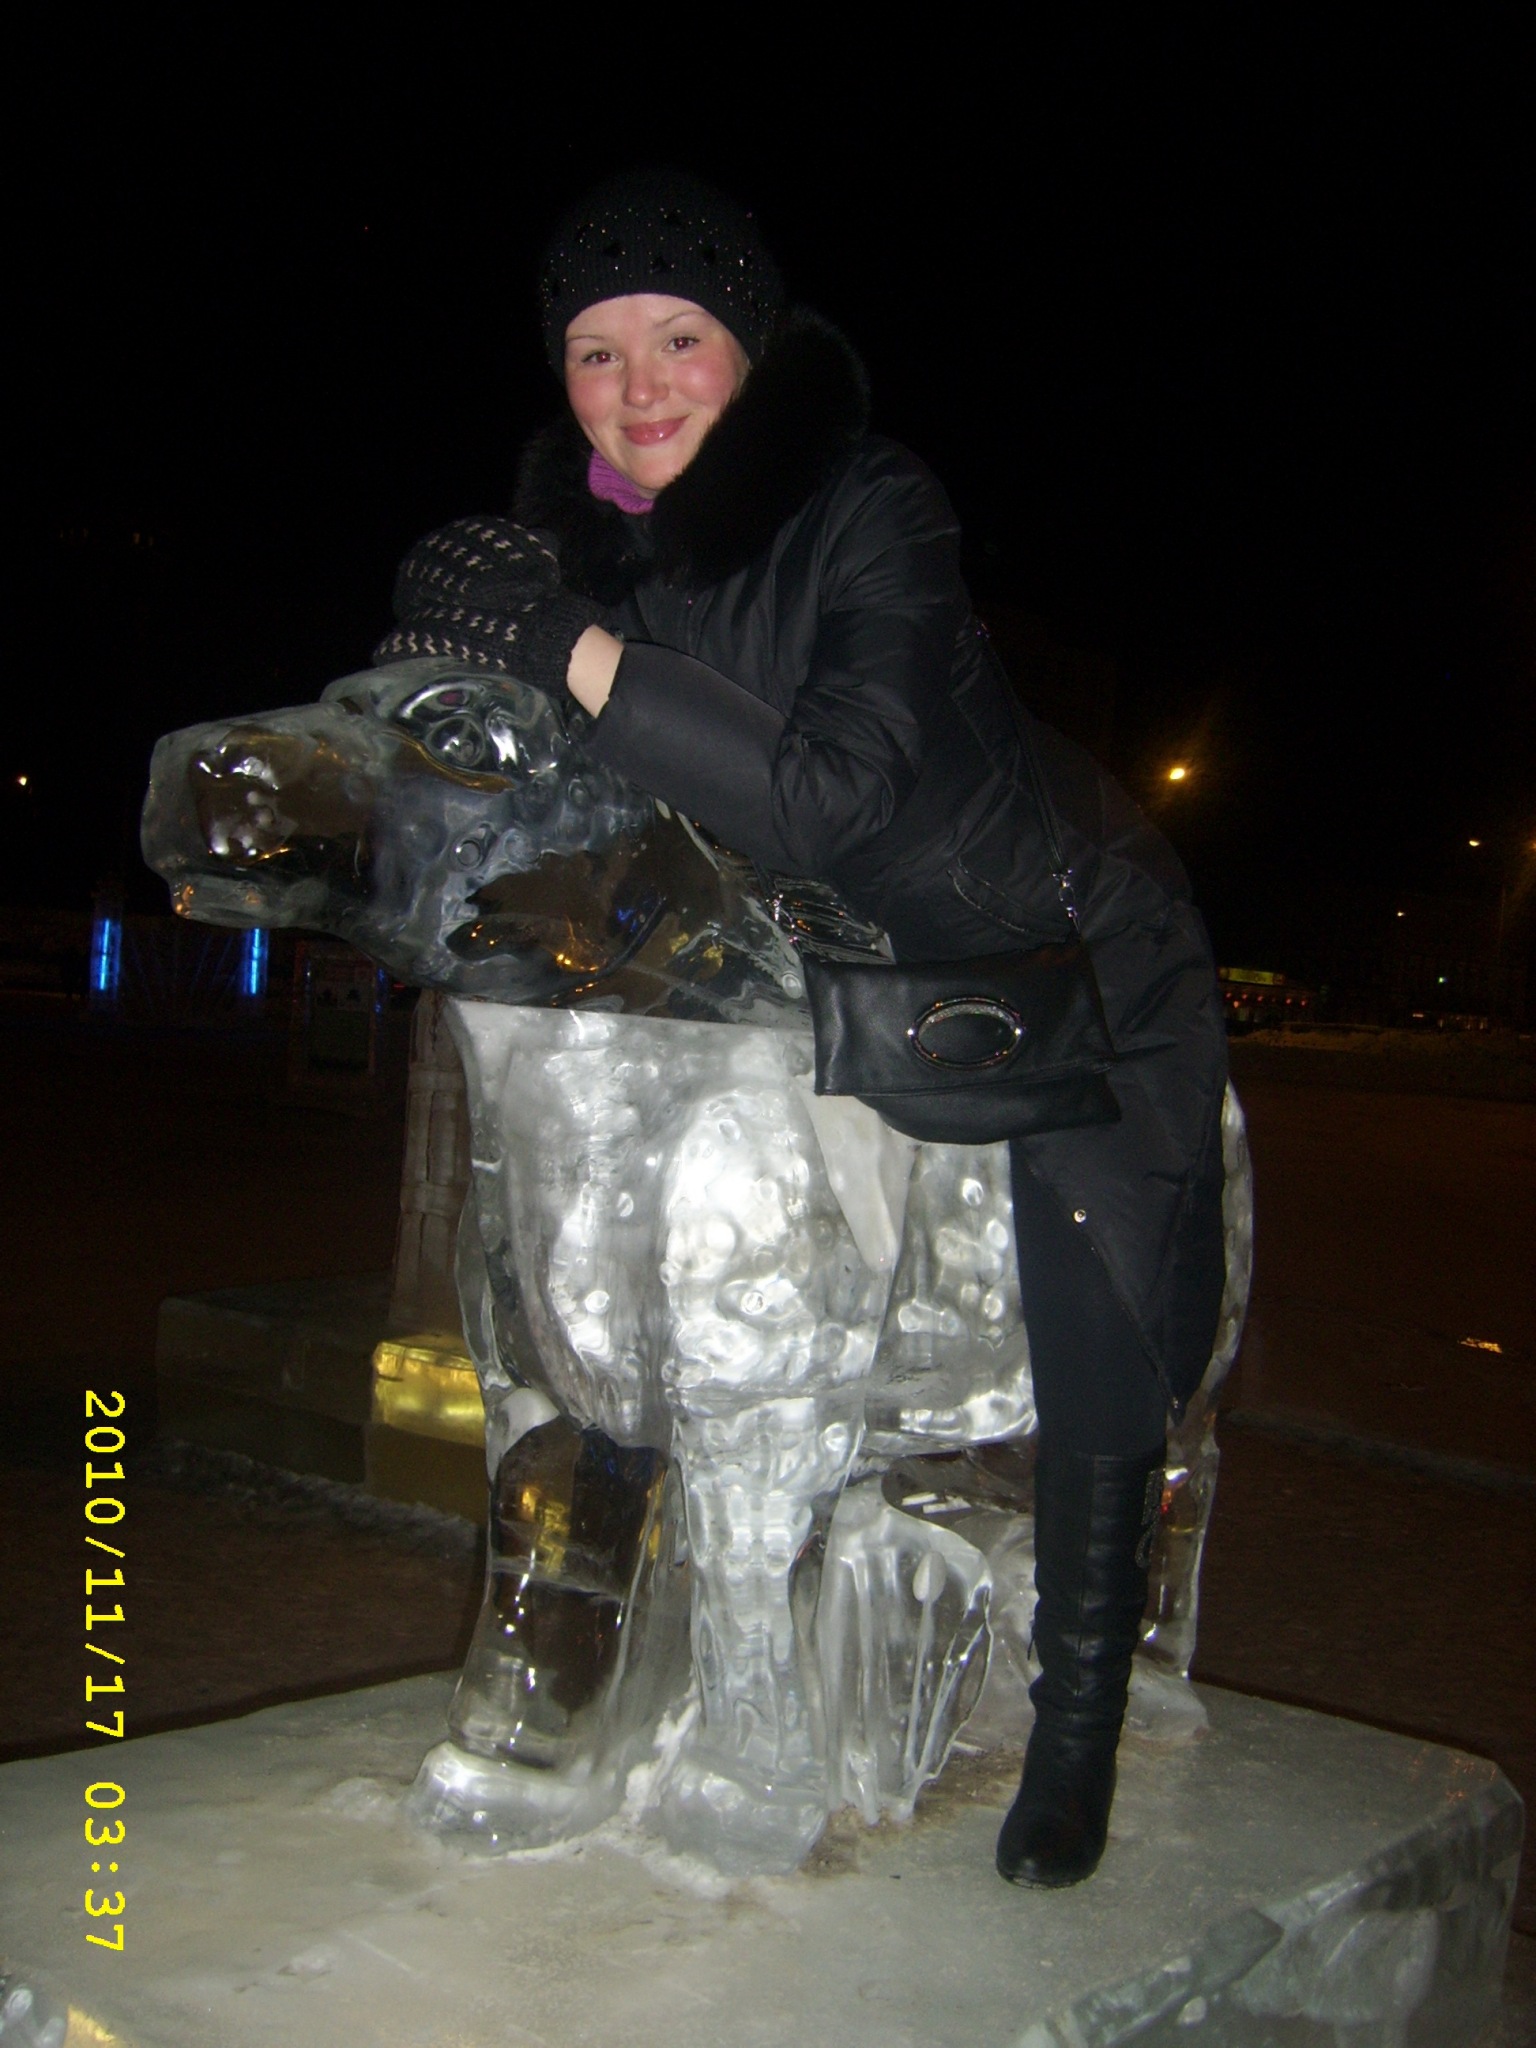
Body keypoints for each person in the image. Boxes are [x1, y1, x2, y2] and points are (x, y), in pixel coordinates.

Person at [376, 168, 1230, 1889]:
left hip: (1039, 945)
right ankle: (591, 1688)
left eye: (678, 339)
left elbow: (834, 799)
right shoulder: (584, 555)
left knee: (1096, 1285)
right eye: (596, 352)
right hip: (785, 966)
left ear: (750, 351)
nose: (639, 386)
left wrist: (566, 647)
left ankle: (1076, 1725)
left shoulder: (872, 504)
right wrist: (439, 677)